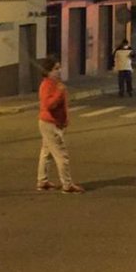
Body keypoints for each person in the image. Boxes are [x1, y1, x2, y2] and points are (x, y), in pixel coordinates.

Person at [36, 57, 84, 194]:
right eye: (56, 69)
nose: (59, 71)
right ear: (48, 71)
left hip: (52, 122)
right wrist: (59, 92)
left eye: (59, 68)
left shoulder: (54, 83)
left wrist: (65, 119)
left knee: (46, 153)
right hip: (50, 123)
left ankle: (42, 181)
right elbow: (49, 105)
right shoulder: (48, 85)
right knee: (62, 155)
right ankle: (67, 185)